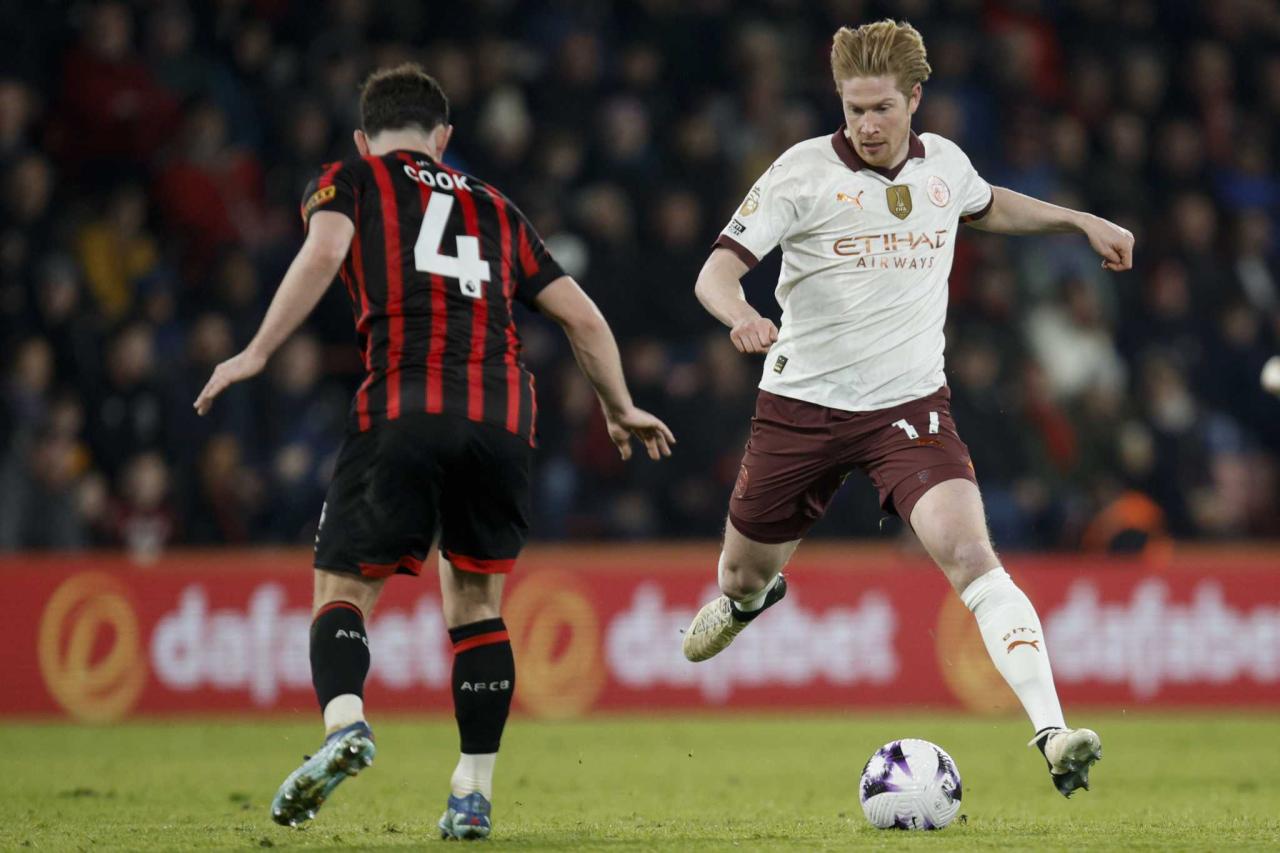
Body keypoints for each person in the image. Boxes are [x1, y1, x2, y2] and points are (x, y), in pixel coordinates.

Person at [194, 64, 674, 839]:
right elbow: (582, 317)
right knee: (478, 607)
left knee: (343, 588)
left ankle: (346, 723)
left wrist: (254, 352)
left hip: (402, 404)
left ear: (363, 135)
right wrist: (620, 408)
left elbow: (321, 256)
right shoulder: (497, 207)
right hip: (503, 418)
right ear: (444, 138)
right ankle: (472, 790)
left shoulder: (351, 179)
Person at [681, 20, 1133, 798]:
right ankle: (752, 597)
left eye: (882, 107)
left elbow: (988, 206)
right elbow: (716, 271)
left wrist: (1078, 218)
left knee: (971, 556)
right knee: (740, 571)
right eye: (854, 109)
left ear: (916, 98)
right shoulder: (800, 172)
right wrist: (738, 316)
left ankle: (1054, 733)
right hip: (801, 406)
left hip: (909, 409)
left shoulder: (945, 167)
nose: (867, 124)